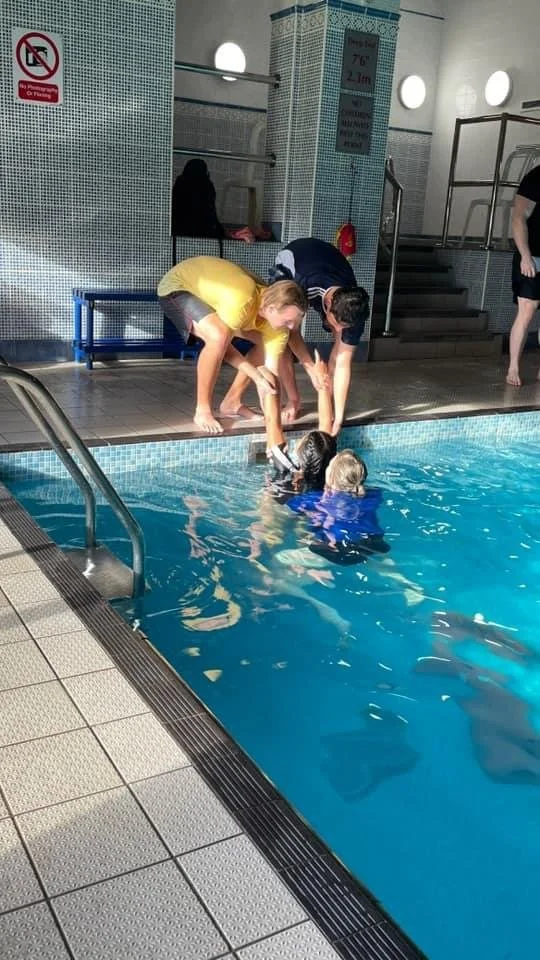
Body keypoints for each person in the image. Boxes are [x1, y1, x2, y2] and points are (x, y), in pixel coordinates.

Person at [157, 255, 308, 438]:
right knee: (218, 336)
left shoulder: (279, 329)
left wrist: (273, 419)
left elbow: (271, 375)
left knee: (264, 345)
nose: (292, 328)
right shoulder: (242, 303)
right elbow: (224, 348)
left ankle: (232, 402)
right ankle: (202, 410)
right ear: (271, 309)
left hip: (217, 296)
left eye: (295, 323)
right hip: (178, 286)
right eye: (288, 321)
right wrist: (255, 376)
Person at [271, 237, 370, 433]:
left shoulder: (354, 308)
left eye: (345, 326)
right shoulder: (301, 285)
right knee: (282, 333)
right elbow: (292, 334)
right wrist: (310, 368)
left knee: (341, 345)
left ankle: (329, 405)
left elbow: (343, 362)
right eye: (337, 324)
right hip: (296, 259)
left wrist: (338, 417)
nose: (341, 330)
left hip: (332, 262)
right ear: (328, 306)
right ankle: (294, 400)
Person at [506, 164, 540, 386]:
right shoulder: (536, 177)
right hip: (533, 254)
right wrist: (525, 255)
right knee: (527, 311)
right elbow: (518, 218)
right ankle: (513, 368)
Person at [171, 159, 225, 241]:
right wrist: (221, 231)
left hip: (180, 230)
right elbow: (211, 212)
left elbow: (174, 207)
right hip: (204, 231)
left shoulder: (180, 183)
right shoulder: (207, 185)